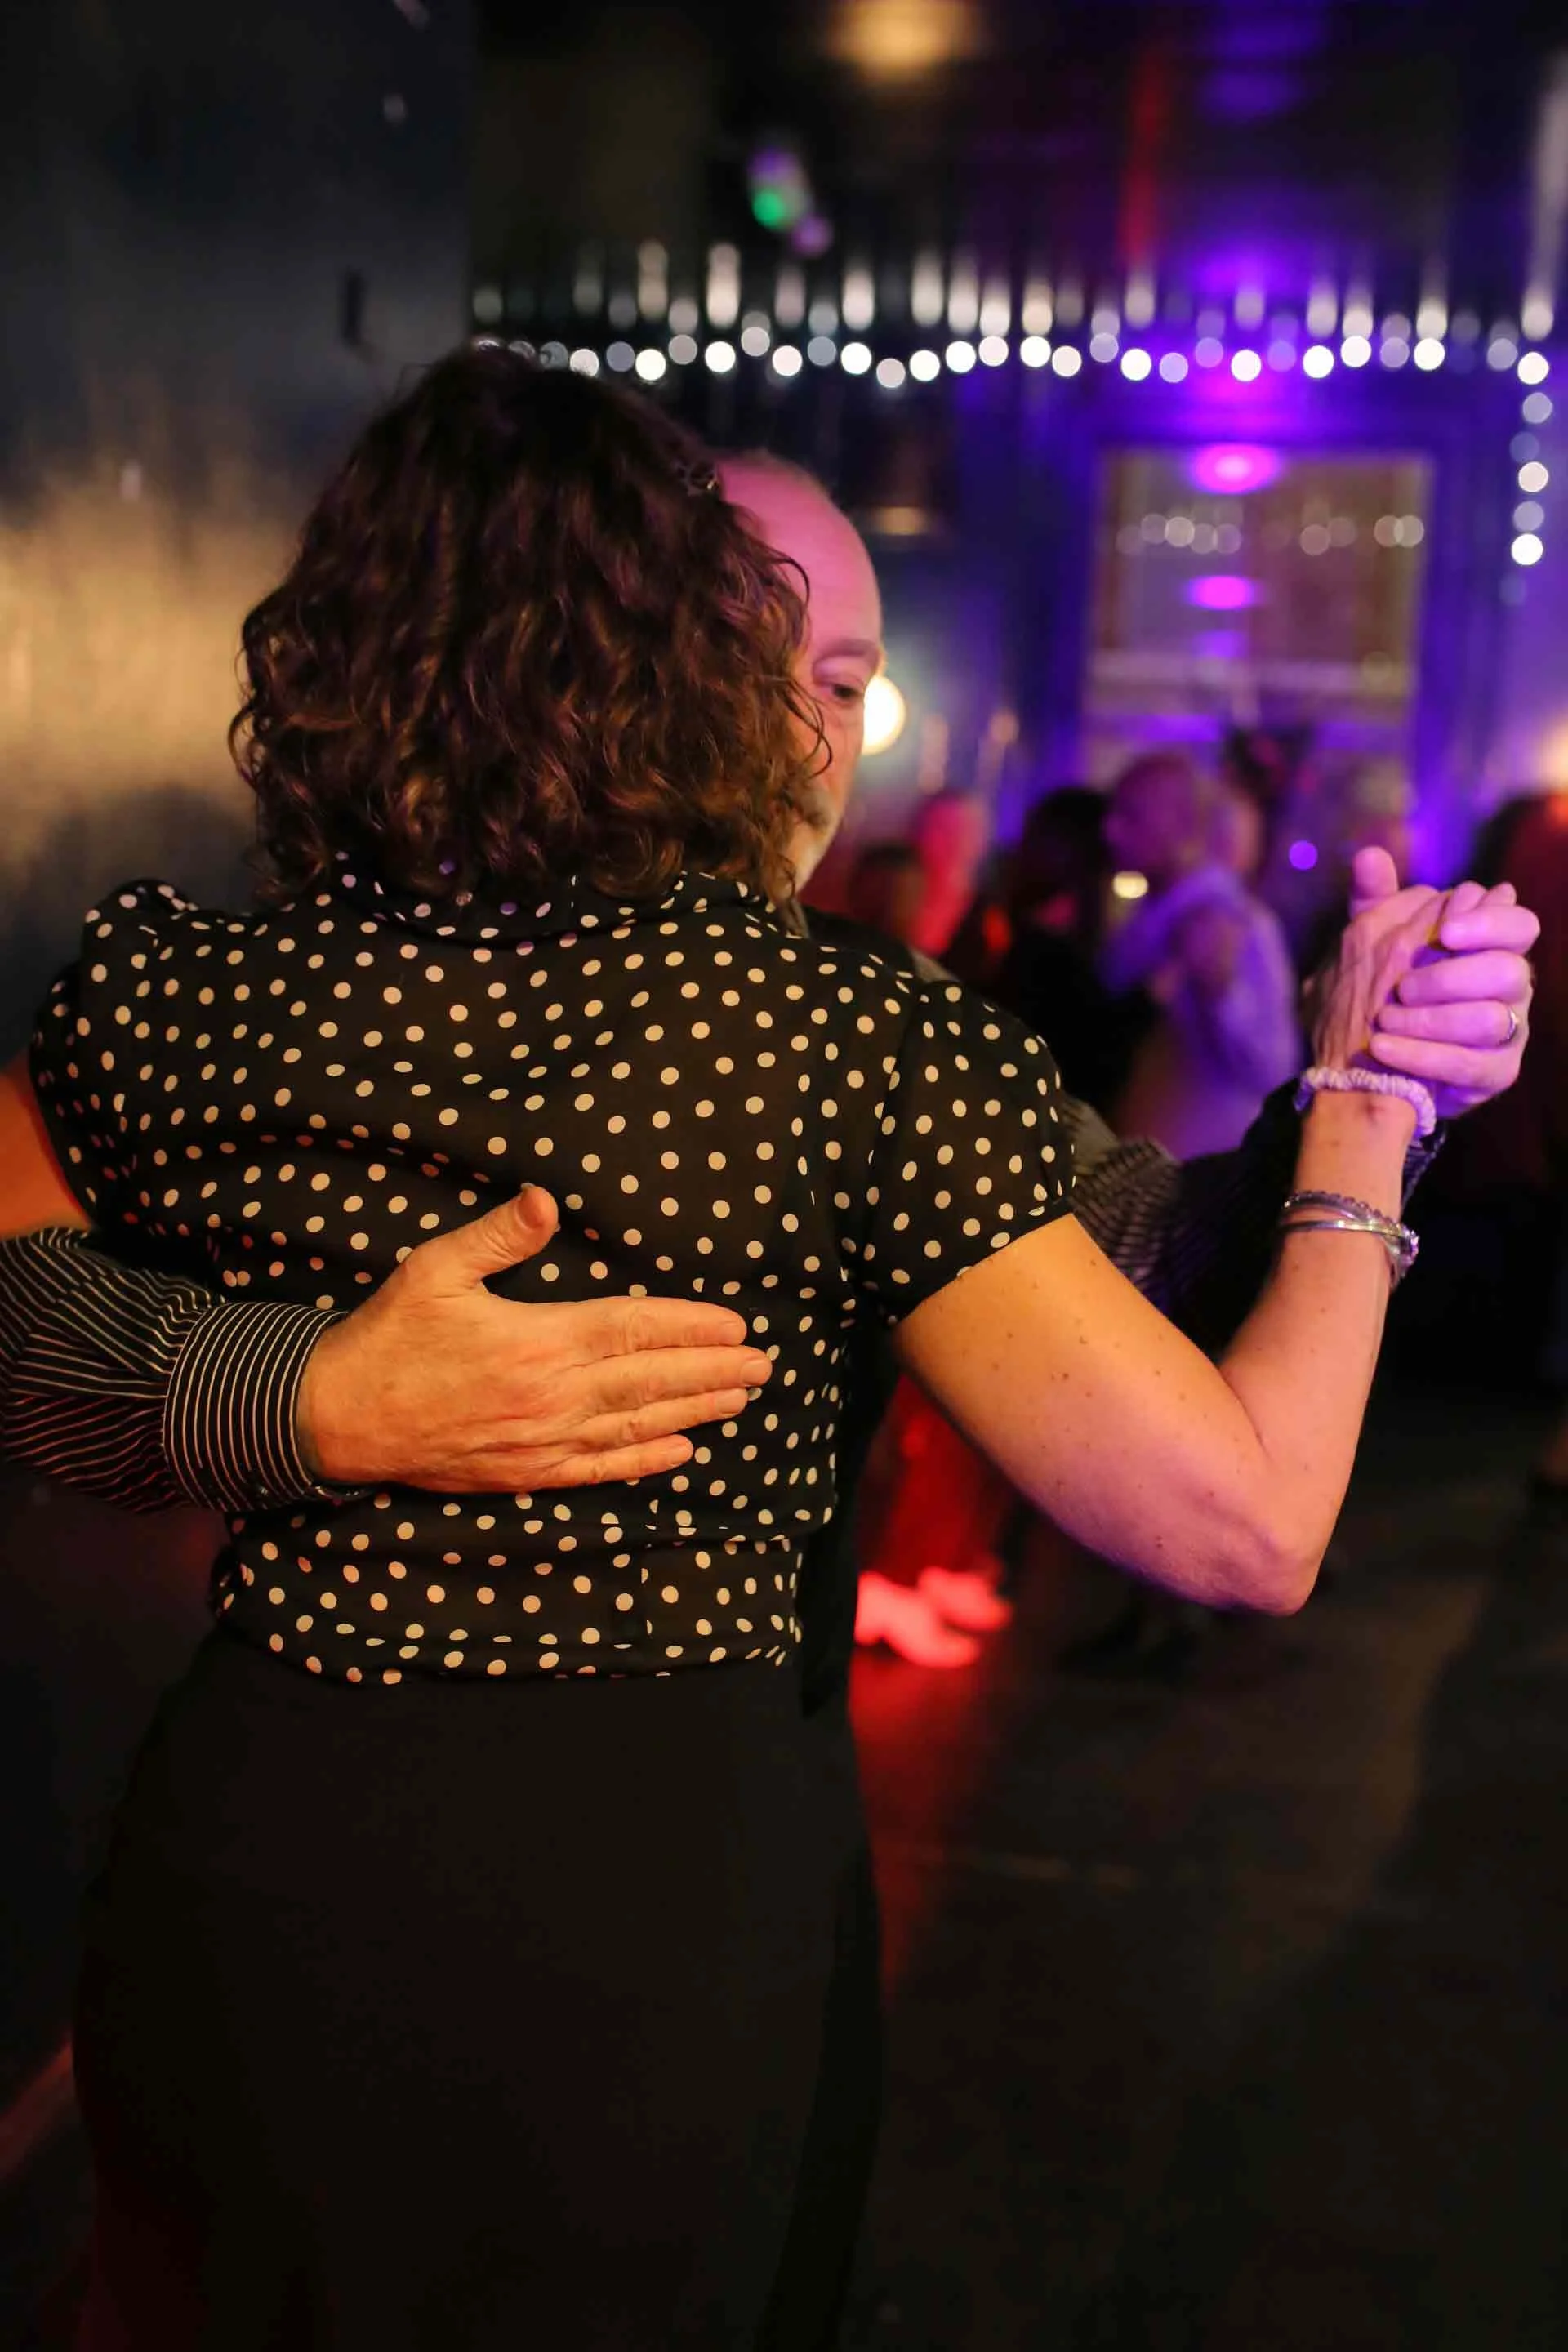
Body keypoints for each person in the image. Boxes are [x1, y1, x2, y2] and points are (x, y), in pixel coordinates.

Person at [0, 391, 1537, 2347]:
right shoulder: (820, 1037)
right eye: (776, 658)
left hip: (250, 1865)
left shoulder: (174, 989)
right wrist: (1356, 1106)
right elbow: (1241, 1519)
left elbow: (12, 1306)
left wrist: (269, 1393)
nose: (819, 726)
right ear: (656, 660)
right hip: (641, 1924)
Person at [1104, 750, 1303, 1157]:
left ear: (1183, 821)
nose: (1111, 831)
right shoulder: (1147, 912)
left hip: (1199, 1185)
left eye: (1132, 814)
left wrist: (1221, 992)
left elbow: (1276, 1070)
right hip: (1141, 1175)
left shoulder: (1240, 923)